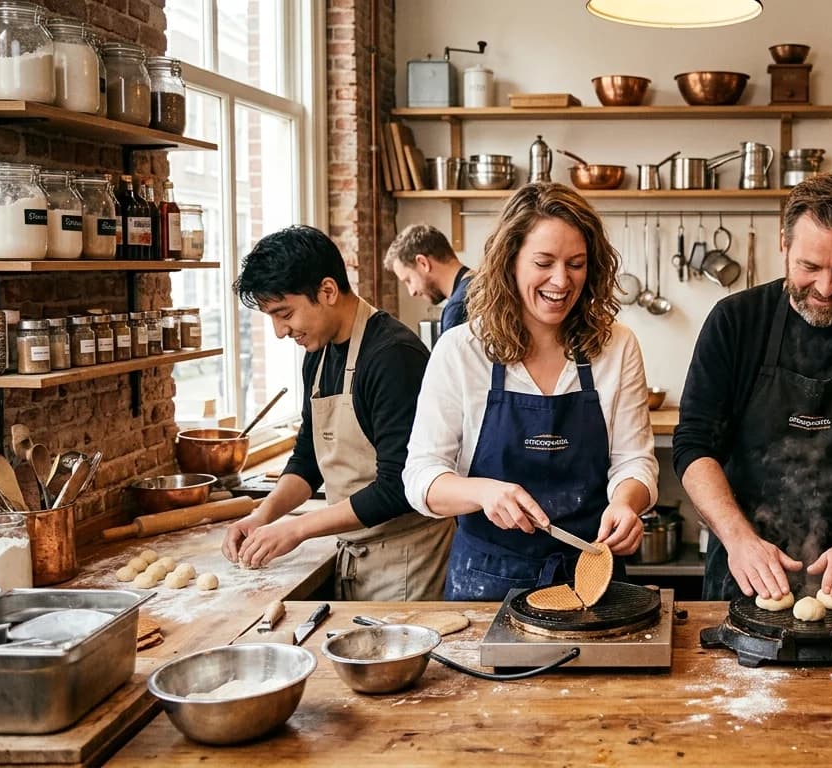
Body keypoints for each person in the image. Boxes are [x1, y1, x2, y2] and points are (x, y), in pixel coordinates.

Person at [674, 172, 832, 602]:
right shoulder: (735, 322)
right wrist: (739, 540)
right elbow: (695, 445)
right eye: (809, 267)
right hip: (745, 571)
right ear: (784, 244)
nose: (826, 287)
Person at [402, 182, 657, 601]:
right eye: (544, 262)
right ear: (511, 262)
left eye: (576, 264)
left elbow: (634, 461)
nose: (561, 280)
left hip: (593, 575)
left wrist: (627, 504)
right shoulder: (461, 351)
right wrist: (484, 492)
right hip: (488, 580)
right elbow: (421, 478)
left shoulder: (616, 346)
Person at [223, 226, 453, 600]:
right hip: (356, 554)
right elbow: (308, 458)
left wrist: (298, 529)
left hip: (408, 561)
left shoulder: (393, 357)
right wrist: (262, 517)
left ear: (327, 291)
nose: (281, 331)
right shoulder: (318, 354)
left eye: (284, 313)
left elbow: (399, 487)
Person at [383, 223, 473, 336]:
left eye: (408, 280)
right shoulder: (477, 285)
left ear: (423, 263)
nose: (412, 292)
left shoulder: (458, 309)